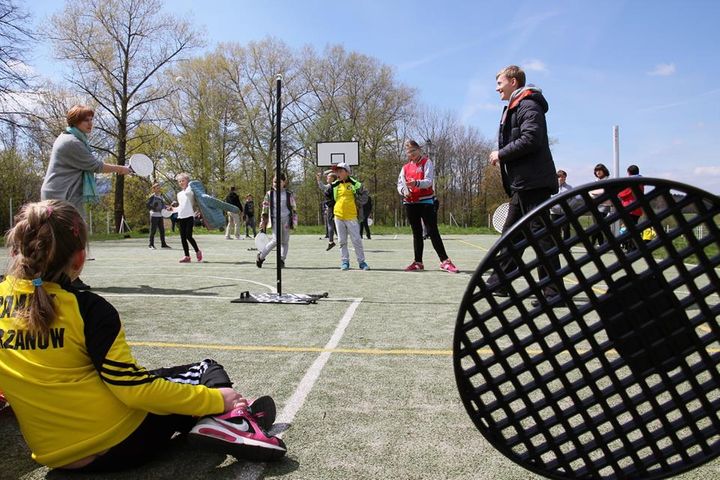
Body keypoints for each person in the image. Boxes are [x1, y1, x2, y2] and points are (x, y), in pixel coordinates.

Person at [0, 200, 286, 472]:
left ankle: (218, 419)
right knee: (204, 370)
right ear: (79, 258)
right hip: (120, 444)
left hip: (53, 455)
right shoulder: (88, 309)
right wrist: (217, 399)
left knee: (155, 379)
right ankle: (231, 417)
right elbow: (133, 390)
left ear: (17, 250)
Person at [486, 65, 560, 306]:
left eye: (500, 83)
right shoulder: (515, 106)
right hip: (523, 184)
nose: (497, 88)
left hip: (534, 183)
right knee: (512, 235)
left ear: (514, 82)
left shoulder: (528, 105)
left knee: (542, 237)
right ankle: (499, 282)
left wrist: (501, 154)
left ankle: (554, 292)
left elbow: (531, 138)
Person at [40, 104, 131, 290]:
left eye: (91, 120)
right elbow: (95, 165)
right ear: (74, 122)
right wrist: (122, 169)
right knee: (68, 237)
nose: (90, 124)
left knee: (71, 236)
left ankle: (66, 276)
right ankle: (64, 277)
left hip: (69, 195)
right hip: (58, 195)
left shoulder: (76, 139)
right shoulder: (71, 142)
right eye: (85, 120)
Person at [398, 140, 459, 273]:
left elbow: (428, 181)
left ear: (419, 150)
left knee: (432, 231)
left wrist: (416, 183)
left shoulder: (427, 162)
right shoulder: (405, 167)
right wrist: (404, 191)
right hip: (410, 203)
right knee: (417, 233)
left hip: (426, 202)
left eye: (413, 151)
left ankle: (445, 261)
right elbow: (400, 184)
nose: (411, 154)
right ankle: (418, 262)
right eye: (409, 152)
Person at [330, 162, 369, 270]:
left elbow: (365, 194)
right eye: (337, 171)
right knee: (341, 241)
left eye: (340, 171)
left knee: (356, 240)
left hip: (351, 216)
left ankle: (362, 262)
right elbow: (327, 194)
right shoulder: (335, 184)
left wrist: (359, 203)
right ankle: (345, 261)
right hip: (338, 216)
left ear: (347, 172)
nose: (338, 173)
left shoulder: (355, 184)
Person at [256, 174, 297, 268]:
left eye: (279, 182)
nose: (276, 184)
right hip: (275, 220)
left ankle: (281, 259)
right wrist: (263, 220)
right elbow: (265, 207)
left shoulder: (289, 194)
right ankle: (261, 256)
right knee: (276, 240)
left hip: (286, 220)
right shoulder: (269, 194)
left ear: (284, 182)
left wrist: (294, 221)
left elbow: (294, 207)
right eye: (275, 182)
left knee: (285, 241)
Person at [176, 173, 202, 263]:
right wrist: (172, 209)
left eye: (183, 180)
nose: (181, 183)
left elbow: (189, 192)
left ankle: (197, 251)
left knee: (188, 236)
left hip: (189, 216)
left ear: (187, 181)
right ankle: (187, 256)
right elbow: (180, 207)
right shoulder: (179, 194)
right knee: (183, 238)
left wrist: (190, 184)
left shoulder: (190, 191)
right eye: (179, 181)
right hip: (181, 217)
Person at [618, 164, 644, 250]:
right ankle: (633, 246)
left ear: (629, 172)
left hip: (629, 208)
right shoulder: (641, 181)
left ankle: (631, 247)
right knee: (633, 227)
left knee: (630, 229)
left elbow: (622, 194)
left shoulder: (631, 182)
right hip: (637, 209)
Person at [589, 163, 612, 247]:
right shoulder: (595, 181)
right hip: (595, 205)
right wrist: (596, 193)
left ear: (604, 171)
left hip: (605, 206)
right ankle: (601, 243)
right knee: (597, 225)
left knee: (599, 225)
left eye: (599, 170)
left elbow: (605, 192)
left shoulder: (608, 181)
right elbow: (590, 193)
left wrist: (596, 193)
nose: (598, 172)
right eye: (596, 171)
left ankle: (594, 243)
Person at [549, 170, 573, 240]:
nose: (562, 178)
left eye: (563, 177)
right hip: (554, 212)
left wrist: (569, 206)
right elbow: (548, 198)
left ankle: (567, 244)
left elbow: (572, 198)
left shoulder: (569, 188)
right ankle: (557, 244)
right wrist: (551, 207)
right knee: (556, 230)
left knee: (566, 229)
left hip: (565, 212)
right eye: (560, 177)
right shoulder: (552, 187)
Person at [316, 170, 337, 251]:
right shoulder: (333, 185)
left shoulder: (333, 186)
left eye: (328, 177)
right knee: (334, 224)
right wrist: (319, 179)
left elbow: (323, 187)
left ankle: (331, 241)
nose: (327, 178)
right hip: (333, 207)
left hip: (333, 207)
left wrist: (319, 179)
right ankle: (332, 241)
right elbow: (323, 187)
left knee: (331, 225)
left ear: (333, 178)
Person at [147, 183, 171, 249]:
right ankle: (151, 245)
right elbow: (148, 205)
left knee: (162, 230)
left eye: (159, 188)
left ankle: (163, 244)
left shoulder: (161, 196)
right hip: (154, 215)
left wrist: (167, 207)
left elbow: (163, 205)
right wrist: (154, 208)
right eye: (157, 188)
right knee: (153, 230)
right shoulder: (152, 197)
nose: (158, 189)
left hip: (160, 215)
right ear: (153, 189)